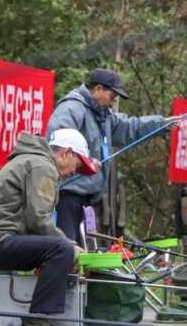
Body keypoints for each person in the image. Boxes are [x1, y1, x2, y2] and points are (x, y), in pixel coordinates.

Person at [0, 129, 97, 326]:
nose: (73, 173)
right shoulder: (42, 166)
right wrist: (73, 250)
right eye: (76, 166)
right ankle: (39, 321)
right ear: (66, 153)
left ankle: (40, 317)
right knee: (62, 249)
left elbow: (35, 222)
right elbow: (39, 221)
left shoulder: (32, 160)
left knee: (59, 249)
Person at [46, 68, 178, 243]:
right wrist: (83, 160)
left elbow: (131, 127)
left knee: (84, 249)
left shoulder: (105, 116)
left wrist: (161, 124)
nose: (114, 100)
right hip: (68, 194)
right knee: (65, 246)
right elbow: (57, 141)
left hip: (90, 197)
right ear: (98, 89)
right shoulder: (72, 107)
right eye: (112, 94)